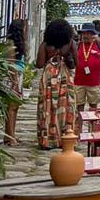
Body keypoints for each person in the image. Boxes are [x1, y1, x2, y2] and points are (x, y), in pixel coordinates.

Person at [36, 19, 77, 150]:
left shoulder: (45, 45)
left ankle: (47, 139)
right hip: (64, 76)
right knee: (66, 107)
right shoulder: (70, 43)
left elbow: (39, 64)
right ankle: (64, 137)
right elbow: (77, 62)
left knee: (47, 107)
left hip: (48, 76)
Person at [3, 17, 27, 146]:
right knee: (12, 107)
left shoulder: (15, 44)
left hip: (18, 77)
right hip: (12, 78)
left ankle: (8, 135)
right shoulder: (11, 45)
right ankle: (11, 138)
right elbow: (11, 66)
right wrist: (15, 84)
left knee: (14, 107)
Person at [73, 22, 100, 110]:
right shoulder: (77, 45)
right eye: (84, 33)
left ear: (93, 34)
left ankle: (92, 123)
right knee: (79, 107)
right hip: (79, 81)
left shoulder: (99, 45)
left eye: (88, 33)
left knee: (93, 107)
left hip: (93, 82)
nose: (85, 35)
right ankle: (79, 124)